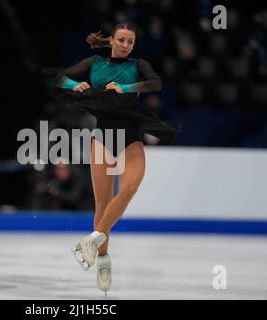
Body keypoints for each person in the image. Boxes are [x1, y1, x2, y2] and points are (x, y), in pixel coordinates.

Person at [54, 23, 182, 295]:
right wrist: (77, 85)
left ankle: (91, 241)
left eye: (130, 41)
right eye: (122, 40)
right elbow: (60, 79)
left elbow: (156, 83)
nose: (125, 45)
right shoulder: (95, 62)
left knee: (131, 187)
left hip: (130, 136)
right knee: (102, 203)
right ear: (112, 40)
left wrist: (126, 88)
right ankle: (103, 261)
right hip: (103, 137)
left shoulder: (138, 65)